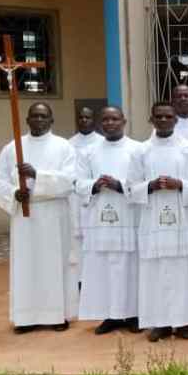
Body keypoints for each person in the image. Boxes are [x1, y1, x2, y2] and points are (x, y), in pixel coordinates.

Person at [0, 103, 78, 334]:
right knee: (26, 264)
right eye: (35, 116)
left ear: (51, 120)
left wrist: (37, 175)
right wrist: (14, 193)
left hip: (54, 214)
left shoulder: (63, 147)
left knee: (54, 264)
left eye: (43, 116)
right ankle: (25, 317)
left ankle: (58, 314)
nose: (39, 120)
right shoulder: (12, 148)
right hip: (24, 215)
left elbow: (70, 180)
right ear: (27, 120)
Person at [129, 102, 188, 342]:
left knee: (183, 271)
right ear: (151, 120)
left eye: (168, 116)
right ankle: (159, 323)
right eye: (158, 117)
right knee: (155, 272)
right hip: (153, 222)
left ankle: (184, 322)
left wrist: (180, 184)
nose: (163, 120)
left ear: (175, 120)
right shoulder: (141, 151)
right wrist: (149, 186)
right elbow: (130, 187)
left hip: (184, 222)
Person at [75, 106, 143, 335]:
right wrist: (95, 185)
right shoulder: (89, 152)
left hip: (129, 216)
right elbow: (78, 181)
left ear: (124, 121)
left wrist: (120, 185)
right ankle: (109, 315)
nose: (110, 123)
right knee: (102, 267)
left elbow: (143, 181)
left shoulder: (137, 149)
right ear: (100, 123)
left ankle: (132, 314)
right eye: (105, 119)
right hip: (100, 220)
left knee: (129, 265)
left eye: (114, 119)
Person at [68, 106, 103, 286]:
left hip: (96, 197)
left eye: (87, 117)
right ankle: (79, 281)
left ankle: (95, 279)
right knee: (76, 241)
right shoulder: (68, 144)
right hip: (73, 198)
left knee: (94, 239)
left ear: (94, 120)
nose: (84, 120)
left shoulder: (102, 143)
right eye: (80, 117)